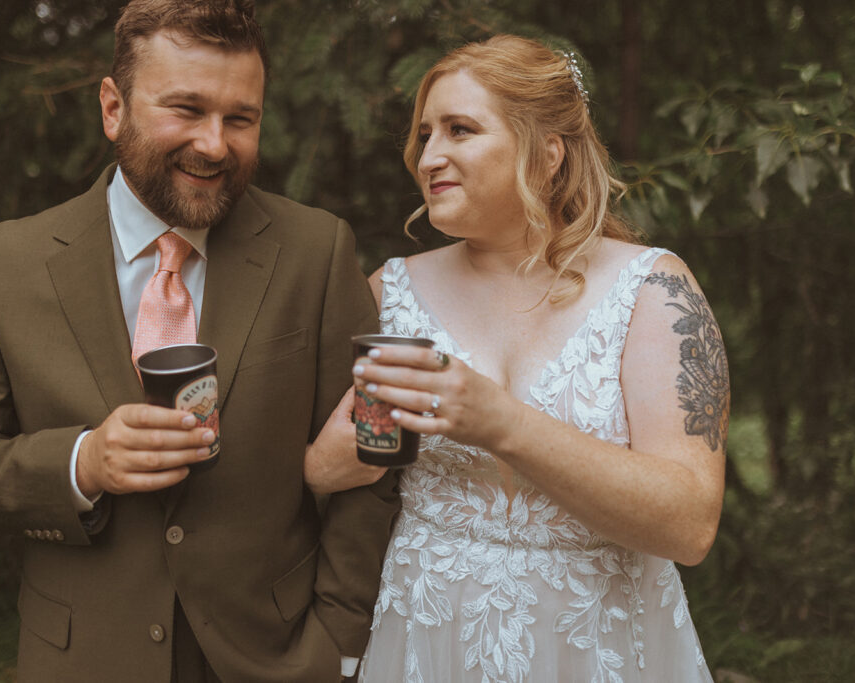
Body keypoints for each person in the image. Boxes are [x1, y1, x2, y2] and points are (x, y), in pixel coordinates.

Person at [0, 1, 399, 681]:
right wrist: (83, 463)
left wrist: (335, 649)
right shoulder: (3, 264)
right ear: (113, 108)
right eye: (186, 110)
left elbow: (377, 458)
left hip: (277, 659)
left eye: (240, 118)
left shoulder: (317, 250)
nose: (215, 144)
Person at [310, 35, 729, 681]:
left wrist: (499, 421)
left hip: (596, 640)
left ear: (547, 151)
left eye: (460, 130)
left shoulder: (652, 291)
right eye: (425, 135)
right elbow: (323, 470)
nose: (429, 156)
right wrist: (332, 461)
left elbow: (690, 524)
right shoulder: (389, 291)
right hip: (429, 632)